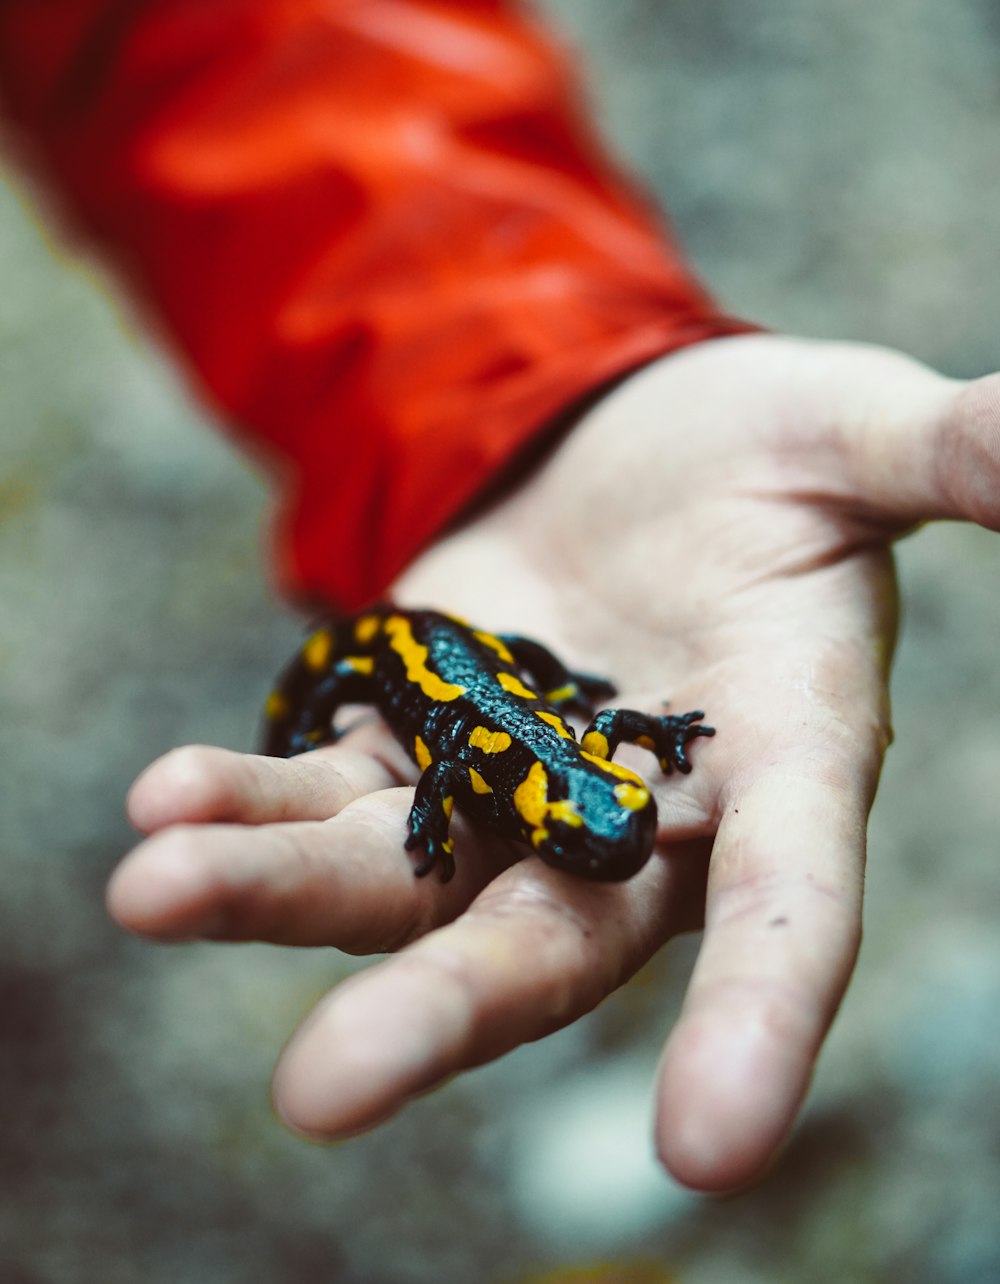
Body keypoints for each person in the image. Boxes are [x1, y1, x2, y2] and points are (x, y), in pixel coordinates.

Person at [5, 2, 998, 1192]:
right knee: (358, 681)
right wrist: (428, 797)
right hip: (408, 656)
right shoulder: (497, 769)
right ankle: (308, 728)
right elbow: (466, 763)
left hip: (462, 655)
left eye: (603, 824)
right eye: (603, 825)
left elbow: (562, 748)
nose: (616, 839)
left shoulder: (540, 762)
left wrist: (638, 728)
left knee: (514, 677)